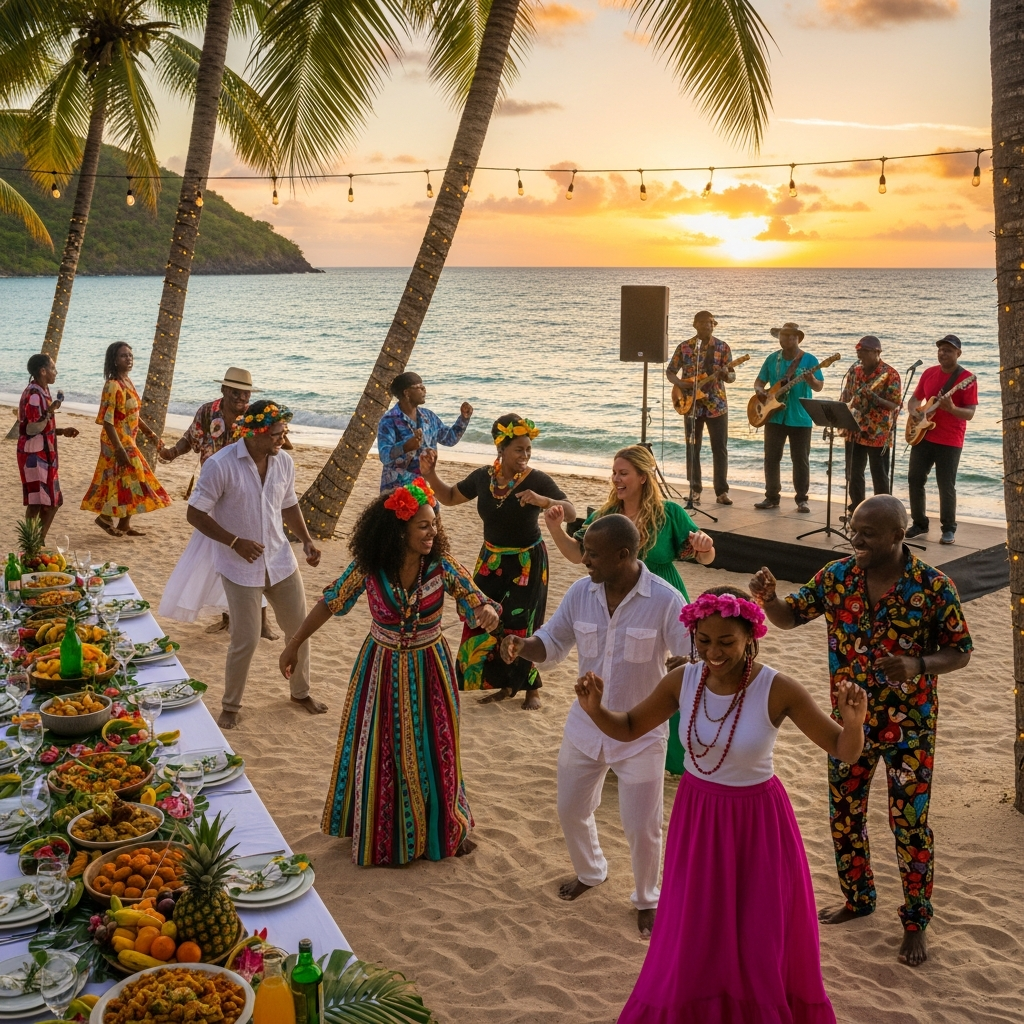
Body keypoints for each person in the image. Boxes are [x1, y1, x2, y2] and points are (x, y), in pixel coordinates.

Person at [574, 585, 866, 1022]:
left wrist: (855, 722)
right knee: (697, 929)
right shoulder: (682, 680)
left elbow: (844, 750)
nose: (713, 652)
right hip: (699, 817)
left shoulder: (778, 688)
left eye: (726, 641)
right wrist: (597, 711)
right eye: (704, 640)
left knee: (757, 932)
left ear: (750, 635)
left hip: (758, 823)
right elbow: (631, 725)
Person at [750, 494, 973, 967]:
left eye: (867, 533)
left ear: (898, 535)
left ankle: (915, 922)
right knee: (844, 813)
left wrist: (917, 663)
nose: (855, 539)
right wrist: (769, 601)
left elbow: (960, 650)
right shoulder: (837, 577)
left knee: (909, 824)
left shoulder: (933, 587)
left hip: (910, 728)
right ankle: (859, 897)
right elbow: (791, 617)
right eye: (854, 528)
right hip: (848, 724)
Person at [280, 481, 501, 866]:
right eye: (423, 526)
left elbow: (475, 598)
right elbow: (330, 602)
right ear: (400, 530)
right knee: (381, 749)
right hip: (378, 668)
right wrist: (294, 642)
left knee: (437, 749)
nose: (433, 532)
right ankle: (384, 832)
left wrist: (486, 611)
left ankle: (444, 828)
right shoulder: (370, 568)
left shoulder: (443, 566)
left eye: (434, 524)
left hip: (431, 668)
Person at [500, 515, 688, 937]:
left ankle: (647, 898)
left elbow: (693, 650)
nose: (583, 559)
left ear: (624, 555)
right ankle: (591, 872)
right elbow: (551, 642)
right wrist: (521, 645)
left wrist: (685, 664)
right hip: (585, 727)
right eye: (584, 550)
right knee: (571, 809)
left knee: (642, 826)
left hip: (641, 734)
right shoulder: (580, 593)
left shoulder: (665, 599)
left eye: (592, 553)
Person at [542, 444, 716, 773]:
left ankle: (668, 757)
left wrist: (706, 548)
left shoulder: (670, 514)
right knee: (618, 672)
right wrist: (554, 529)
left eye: (623, 473)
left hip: (664, 599)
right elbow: (579, 556)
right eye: (614, 472)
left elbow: (704, 557)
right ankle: (610, 748)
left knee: (671, 674)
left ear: (642, 477)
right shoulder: (605, 516)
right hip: (612, 600)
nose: (616, 479)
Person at [186, 399, 328, 730]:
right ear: (256, 433)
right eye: (278, 433)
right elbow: (195, 513)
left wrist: (306, 541)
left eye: (284, 432)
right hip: (239, 567)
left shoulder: (284, 462)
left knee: (299, 631)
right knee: (246, 639)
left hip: (281, 562)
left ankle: (300, 692)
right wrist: (235, 541)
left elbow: (289, 505)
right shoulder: (220, 465)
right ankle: (231, 705)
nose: (284, 439)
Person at [421, 414, 576, 711]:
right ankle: (501, 682)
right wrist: (431, 475)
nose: (525, 455)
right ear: (501, 449)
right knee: (480, 616)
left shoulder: (537, 479)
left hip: (526, 562)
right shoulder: (483, 477)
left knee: (521, 625)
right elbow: (451, 496)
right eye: (519, 449)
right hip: (490, 558)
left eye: (528, 449)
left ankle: (531, 688)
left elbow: (569, 511)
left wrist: (544, 501)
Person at [158, 368, 277, 640]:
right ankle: (228, 617)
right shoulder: (207, 412)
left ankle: (262, 622)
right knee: (223, 556)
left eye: (245, 392)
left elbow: (275, 442)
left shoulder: (254, 416)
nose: (241, 397)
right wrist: (172, 453)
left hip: (246, 491)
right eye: (235, 391)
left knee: (254, 555)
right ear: (223, 390)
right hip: (213, 491)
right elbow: (191, 438)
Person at [81, 341, 170, 537]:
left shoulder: (127, 381)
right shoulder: (112, 385)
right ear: (114, 360)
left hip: (128, 438)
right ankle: (105, 517)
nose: (128, 359)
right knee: (136, 476)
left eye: (130, 355)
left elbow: (133, 413)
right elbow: (107, 420)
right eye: (123, 356)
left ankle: (123, 524)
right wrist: (119, 448)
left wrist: (151, 434)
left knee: (124, 481)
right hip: (116, 440)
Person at [905, 335, 977, 545]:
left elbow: (970, 413)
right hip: (923, 434)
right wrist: (915, 413)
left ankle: (948, 529)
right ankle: (919, 523)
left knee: (946, 485)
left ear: (958, 354)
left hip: (950, 440)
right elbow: (914, 400)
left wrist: (952, 409)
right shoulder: (928, 373)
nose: (943, 353)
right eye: (941, 349)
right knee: (915, 479)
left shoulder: (966, 378)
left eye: (948, 350)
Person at [665, 310, 736, 504]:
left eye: (711, 323)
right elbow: (670, 371)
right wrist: (680, 384)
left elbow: (732, 376)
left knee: (719, 448)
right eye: (703, 323)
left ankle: (721, 492)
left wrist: (724, 375)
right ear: (695, 324)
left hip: (716, 405)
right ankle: (694, 489)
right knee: (692, 447)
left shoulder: (723, 347)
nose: (707, 326)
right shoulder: (685, 347)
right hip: (691, 405)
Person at [753, 322, 825, 513]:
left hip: (800, 417)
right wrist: (760, 392)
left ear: (797, 339)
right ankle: (771, 497)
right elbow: (760, 382)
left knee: (800, 459)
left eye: (791, 336)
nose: (786, 339)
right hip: (774, 416)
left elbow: (819, 386)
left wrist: (812, 380)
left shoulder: (809, 360)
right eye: (783, 335)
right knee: (771, 458)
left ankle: (802, 499)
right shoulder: (772, 359)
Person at [17, 353, 79, 541]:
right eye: (52, 368)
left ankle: (36, 542)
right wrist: (51, 411)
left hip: (43, 453)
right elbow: (31, 427)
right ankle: (33, 543)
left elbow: (37, 425)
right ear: (42, 371)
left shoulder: (41, 391)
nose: (56, 372)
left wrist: (60, 431)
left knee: (50, 501)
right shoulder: (35, 394)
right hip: (35, 455)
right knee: (40, 502)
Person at [377, 371, 473, 491]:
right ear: (406, 393)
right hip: (397, 490)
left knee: (434, 510)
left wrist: (464, 419)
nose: (424, 390)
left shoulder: (429, 417)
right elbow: (384, 456)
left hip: (425, 487)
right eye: (420, 387)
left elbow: (450, 439)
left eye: (424, 386)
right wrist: (406, 446)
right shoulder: (389, 420)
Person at [840, 336, 901, 514]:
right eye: (859, 351)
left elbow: (895, 404)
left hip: (877, 431)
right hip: (854, 428)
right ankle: (857, 508)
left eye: (865, 351)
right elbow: (847, 394)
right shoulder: (855, 371)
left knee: (879, 475)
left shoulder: (890, 374)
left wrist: (874, 398)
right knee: (853, 472)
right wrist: (839, 412)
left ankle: (883, 512)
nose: (861, 355)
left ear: (877, 352)